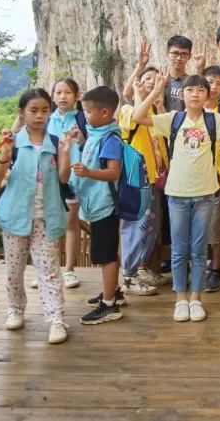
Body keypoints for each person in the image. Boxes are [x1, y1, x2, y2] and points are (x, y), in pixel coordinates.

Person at [132, 71, 220, 322]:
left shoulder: (214, 120)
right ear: (182, 95)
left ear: (207, 95)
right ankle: (180, 299)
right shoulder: (173, 119)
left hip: (205, 195)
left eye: (200, 90)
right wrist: (156, 92)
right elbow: (138, 117)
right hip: (177, 194)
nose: (195, 94)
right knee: (179, 250)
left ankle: (196, 299)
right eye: (189, 90)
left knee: (198, 250)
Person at [0, 88, 69, 344]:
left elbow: (63, 178)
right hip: (15, 216)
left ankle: (56, 319)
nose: (39, 116)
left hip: (46, 216)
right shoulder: (13, 141)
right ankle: (15, 309)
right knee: (14, 270)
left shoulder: (55, 142)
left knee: (49, 270)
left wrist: (66, 152)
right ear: (22, 112)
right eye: (33, 110)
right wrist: (5, 155)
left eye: (45, 110)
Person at [59, 86, 127, 325]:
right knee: (105, 252)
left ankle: (109, 305)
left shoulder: (110, 139)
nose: (85, 116)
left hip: (105, 205)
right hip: (97, 202)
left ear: (105, 113)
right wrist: (79, 140)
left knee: (106, 255)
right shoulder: (97, 134)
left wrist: (87, 172)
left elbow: (113, 172)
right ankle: (113, 292)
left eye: (88, 111)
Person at [119, 65, 169, 296]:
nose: (152, 82)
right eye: (147, 78)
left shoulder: (156, 116)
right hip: (136, 180)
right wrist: (141, 94)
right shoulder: (128, 110)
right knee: (135, 226)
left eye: (157, 79)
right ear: (138, 83)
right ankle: (129, 277)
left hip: (154, 179)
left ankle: (140, 267)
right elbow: (134, 119)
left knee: (150, 227)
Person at [46, 78, 86, 288]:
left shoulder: (82, 118)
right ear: (52, 96)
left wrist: (81, 139)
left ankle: (69, 270)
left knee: (71, 223)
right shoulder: (46, 118)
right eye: (58, 92)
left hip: (73, 179)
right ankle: (48, 270)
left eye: (68, 92)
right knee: (47, 224)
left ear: (76, 96)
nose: (63, 96)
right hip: (48, 178)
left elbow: (92, 145)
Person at [202, 65, 220, 292]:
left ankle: (216, 268)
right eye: (210, 82)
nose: (214, 87)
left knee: (217, 226)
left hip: (217, 177)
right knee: (195, 227)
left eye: (219, 83)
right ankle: (196, 266)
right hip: (193, 177)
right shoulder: (189, 111)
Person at [163, 35, 195, 111]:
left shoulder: (190, 82)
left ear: (189, 56)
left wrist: (199, 69)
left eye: (183, 54)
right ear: (167, 53)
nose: (179, 58)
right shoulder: (158, 79)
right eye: (175, 53)